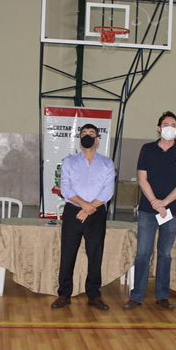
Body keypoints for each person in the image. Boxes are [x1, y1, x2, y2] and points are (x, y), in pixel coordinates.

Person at [124, 111, 176, 310]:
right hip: (148, 210)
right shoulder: (147, 149)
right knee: (142, 253)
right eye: (166, 124)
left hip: (172, 211)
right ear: (158, 128)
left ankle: (163, 295)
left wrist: (165, 203)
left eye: (173, 125)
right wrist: (155, 202)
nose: (169, 127)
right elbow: (142, 179)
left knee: (164, 254)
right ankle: (136, 296)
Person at [51, 124, 115, 310]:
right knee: (68, 253)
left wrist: (89, 207)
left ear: (98, 139)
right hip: (73, 212)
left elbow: (108, 190)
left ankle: (94, 295)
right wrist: (84, 205)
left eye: (91, 134)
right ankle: (64, 294)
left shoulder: (107, 163)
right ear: (80, 139)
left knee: (95, 254)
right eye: (84, 133)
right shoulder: (69, 162)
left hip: (96, 213)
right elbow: (65, 188)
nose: (87, 136)